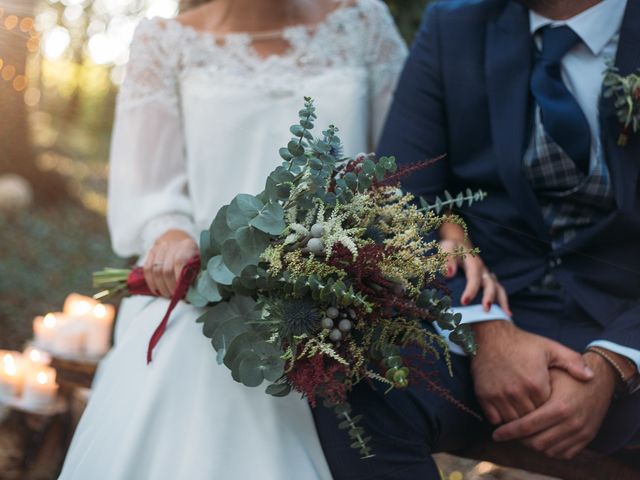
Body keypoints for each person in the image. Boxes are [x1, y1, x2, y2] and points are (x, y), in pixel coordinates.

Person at [58, 0, 407, 478]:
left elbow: (407, 166)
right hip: (204, 282)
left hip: (343, 293)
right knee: (194, 359)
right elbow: (148, 190)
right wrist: (171, 236)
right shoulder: (165, 43)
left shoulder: (364, 24)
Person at [312, 0, 640, 478]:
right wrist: (484, 330)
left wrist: (617, 361)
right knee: (357, 376)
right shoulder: (455, 24)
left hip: (628, 320)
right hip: (490, 311)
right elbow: (398, 202)